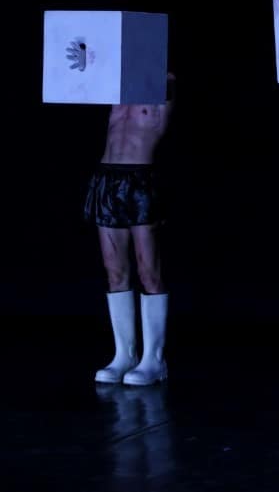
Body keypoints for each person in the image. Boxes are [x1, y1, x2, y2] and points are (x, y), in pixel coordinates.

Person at [84, 73, 175, 386]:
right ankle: (124, 354)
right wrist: (87, 61)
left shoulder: (162, 78)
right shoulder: (116, 81)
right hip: (107, 177)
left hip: (139, 178)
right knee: (115, 271)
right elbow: (82, 81)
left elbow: (164, 90)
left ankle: (155, 359)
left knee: (149, 270)